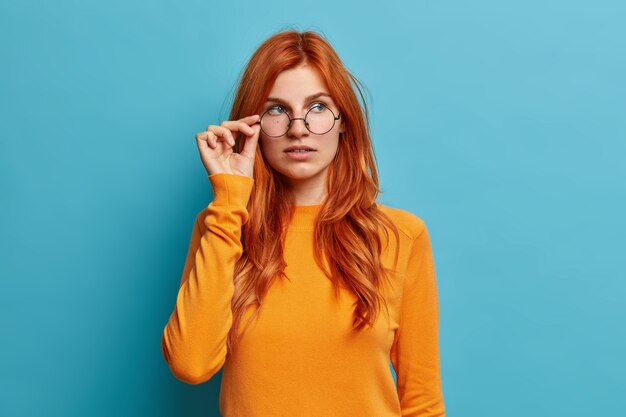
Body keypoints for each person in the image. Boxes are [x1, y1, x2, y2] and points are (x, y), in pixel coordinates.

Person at [161, 29, 446, 416]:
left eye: (317, 108)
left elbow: (423, 402)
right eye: (276, 109)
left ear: (344, 120)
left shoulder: (401, 236)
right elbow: (190, 364)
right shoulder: (223, 225)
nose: (299, 128)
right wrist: (229, 200)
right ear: (253, 127)